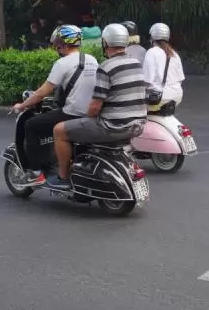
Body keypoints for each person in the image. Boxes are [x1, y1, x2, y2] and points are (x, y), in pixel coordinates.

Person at [49, 23, 147, 190]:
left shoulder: (106, 67)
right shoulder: (136, 63)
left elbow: (95, 106)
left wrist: (86, 118)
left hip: (112, 126)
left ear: (106, 43)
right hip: (137, 125)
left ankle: (63, 177)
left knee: (59, 130)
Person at [11, 24, 97, 186]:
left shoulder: (62, 63)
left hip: (73, 112)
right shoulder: (92, 60)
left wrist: (22, 106)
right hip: (91, 113)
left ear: (64, 42)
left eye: (58, 41)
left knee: (31, 124)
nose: (56, 45)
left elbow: (42, 93)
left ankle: (36, 173)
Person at [143, 22, 185, 111]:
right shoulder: (174, 54)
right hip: (177, 95)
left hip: (158, 97)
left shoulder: (151, 52)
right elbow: (180, 79)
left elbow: (147, 81)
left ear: (152, 37)